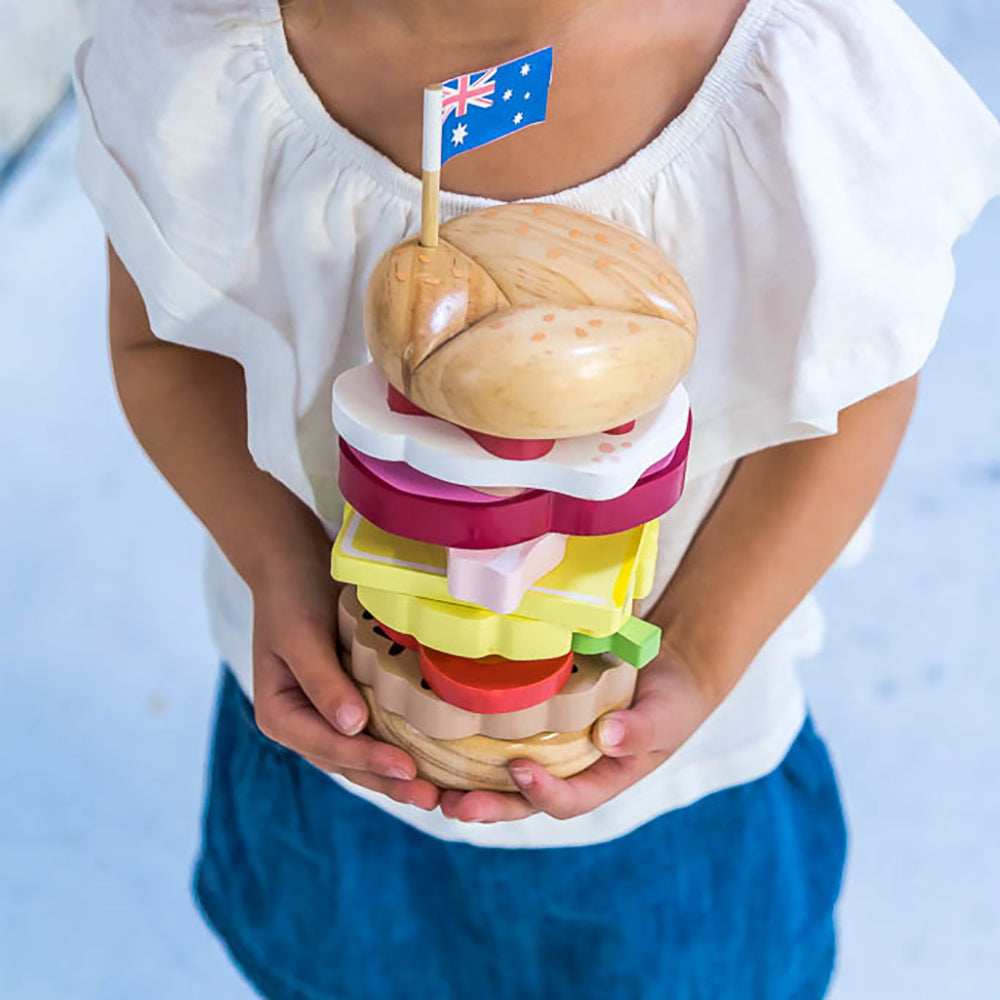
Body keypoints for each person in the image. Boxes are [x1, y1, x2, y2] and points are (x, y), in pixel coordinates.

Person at [73, 0, 1000, 996]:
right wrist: (277, 559)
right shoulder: (202, 57)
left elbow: (855, 389)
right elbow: (161, 348)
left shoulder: (800, 73)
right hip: (337, 768)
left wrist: (700, 645)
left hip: (676, 804)